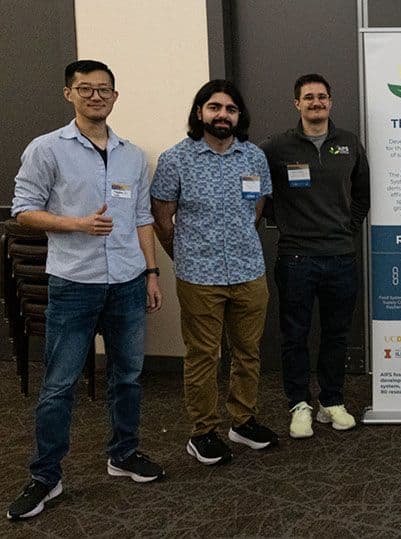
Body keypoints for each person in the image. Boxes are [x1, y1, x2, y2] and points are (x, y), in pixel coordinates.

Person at [7, 60, 164, 521]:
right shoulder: (46, 149)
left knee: (128, 376)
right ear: (68, 94)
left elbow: (140, 218)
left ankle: (123, 453)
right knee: (59, 384)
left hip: (128, 283)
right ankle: (46, 476)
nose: (96, 96)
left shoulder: (132, 154)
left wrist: (152, 273)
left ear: (116, 96)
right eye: (86, 89)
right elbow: (23, 210)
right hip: (74, 283)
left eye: (104, 90)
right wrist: (76, 224)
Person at [151, 79, 278, 465]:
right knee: (203, 355)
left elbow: (255, 209)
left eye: (230, 109)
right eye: (215, 107)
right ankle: (202, 431)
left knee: (248, 352)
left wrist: (236, 241)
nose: (223, 115)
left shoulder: (253, 157)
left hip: (248, 271)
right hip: (199, 276)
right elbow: (162, 216)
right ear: (200, 113)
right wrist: (186, 254)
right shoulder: (176, 159)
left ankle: (242, 421)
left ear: (239, 117)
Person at [259, 74, 370, 438]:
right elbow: (259, 191)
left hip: (340, 256)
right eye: (309, 97)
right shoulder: (277, 147)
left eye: (322, 97)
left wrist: (346, 228)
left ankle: (332, 401)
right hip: (296, 259)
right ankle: (299, 404)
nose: (316, 102)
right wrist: (287, 222)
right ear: (297, 104)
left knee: (337, 334)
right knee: (295, 335)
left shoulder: (349, 143)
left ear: (330, 102)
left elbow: (362, 195)